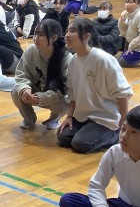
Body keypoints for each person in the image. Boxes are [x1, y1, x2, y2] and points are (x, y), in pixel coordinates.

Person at [57, 18, 133, 154]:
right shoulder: (73, 61)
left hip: (105, 118)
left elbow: (123, 94)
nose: (67, 35)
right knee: (63, 137)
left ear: (86, 37)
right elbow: (72, 92)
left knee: (80, 144)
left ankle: (113, 134)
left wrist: (123, 127)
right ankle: (88, 131)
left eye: (72, 31)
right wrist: (69, 117)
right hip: (83, 116)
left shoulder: (103, 59)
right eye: (67, 31)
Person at [12, 20, 71, 130]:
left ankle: (54, 119)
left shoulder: (66, 57)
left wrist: (41, 98)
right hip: (35, 91)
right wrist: (24, 89)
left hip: (54, 97)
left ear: (54, 38)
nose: (36, 38)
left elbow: (64, 89)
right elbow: (21, 73)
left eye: (41, 35)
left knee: (65, 102)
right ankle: (29, 119)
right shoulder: (31, 50)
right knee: (16, 92)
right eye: (35, 34)